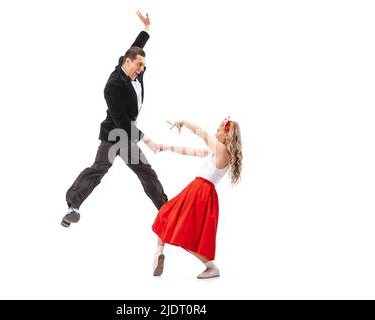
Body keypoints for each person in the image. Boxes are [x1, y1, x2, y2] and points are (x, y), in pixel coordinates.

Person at [62, 11, 167, 227]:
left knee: (146, 173)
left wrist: (146, 28)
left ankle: (166, 211)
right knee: (98, 170)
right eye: (138, 65)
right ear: (127, 63)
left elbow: (136, 46)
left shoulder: (133, 65)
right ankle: (72, 206)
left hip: (128, 136)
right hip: (114, 135)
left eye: (143, 65)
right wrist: (148, 141)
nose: (142, 69)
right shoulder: (113, 85)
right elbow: (121, 121)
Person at [152, 118, 242, 279]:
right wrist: (165, 147)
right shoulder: (216, 152)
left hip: (200, 191)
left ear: (227, 136)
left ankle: (211, 267)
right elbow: (189, 151)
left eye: (219, 131)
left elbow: (202, 133)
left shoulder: (221, 150)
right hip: (198, 190)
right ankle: (158, 254)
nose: (216, 133)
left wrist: (184, 122)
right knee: (167, 214)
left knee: (182, 230)